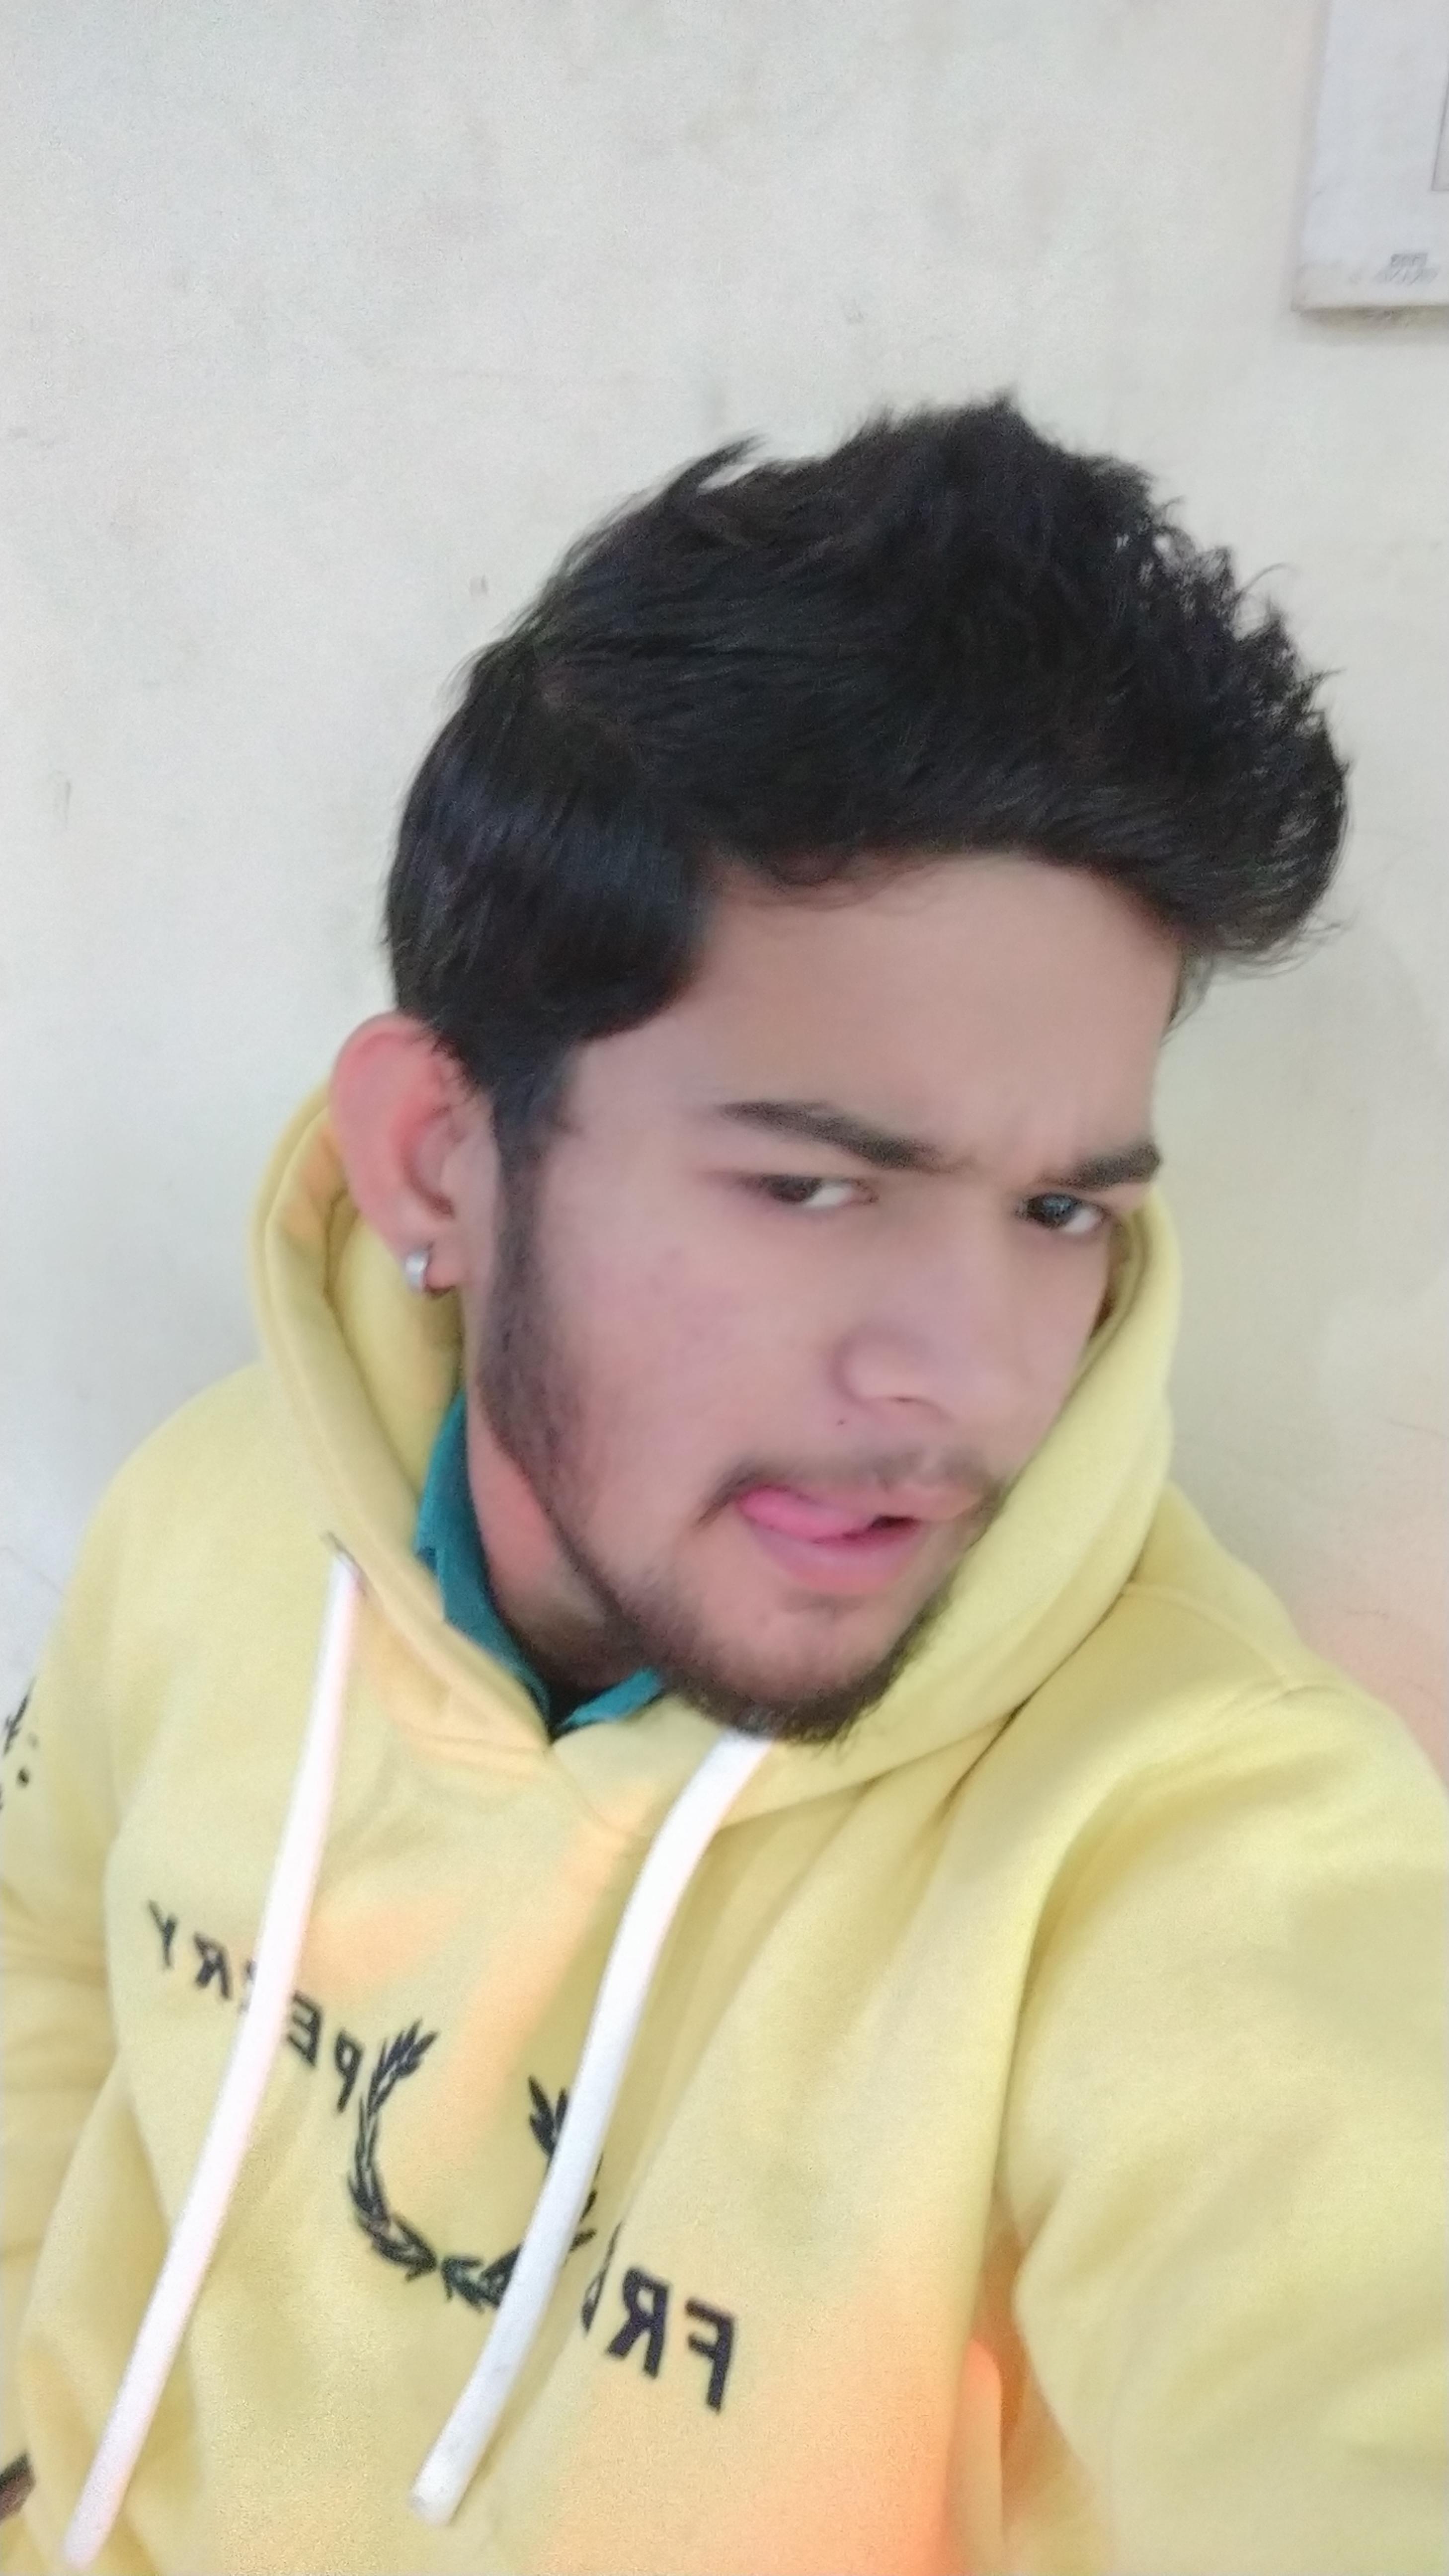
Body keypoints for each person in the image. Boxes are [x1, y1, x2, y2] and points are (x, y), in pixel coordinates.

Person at [2, 401, 1444, 2576]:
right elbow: (42, 1960)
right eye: (813, 1185)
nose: (968, 1385)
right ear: (439, 1161)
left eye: (1059, 1212)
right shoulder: (219, 1507)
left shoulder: (1207, 1839)